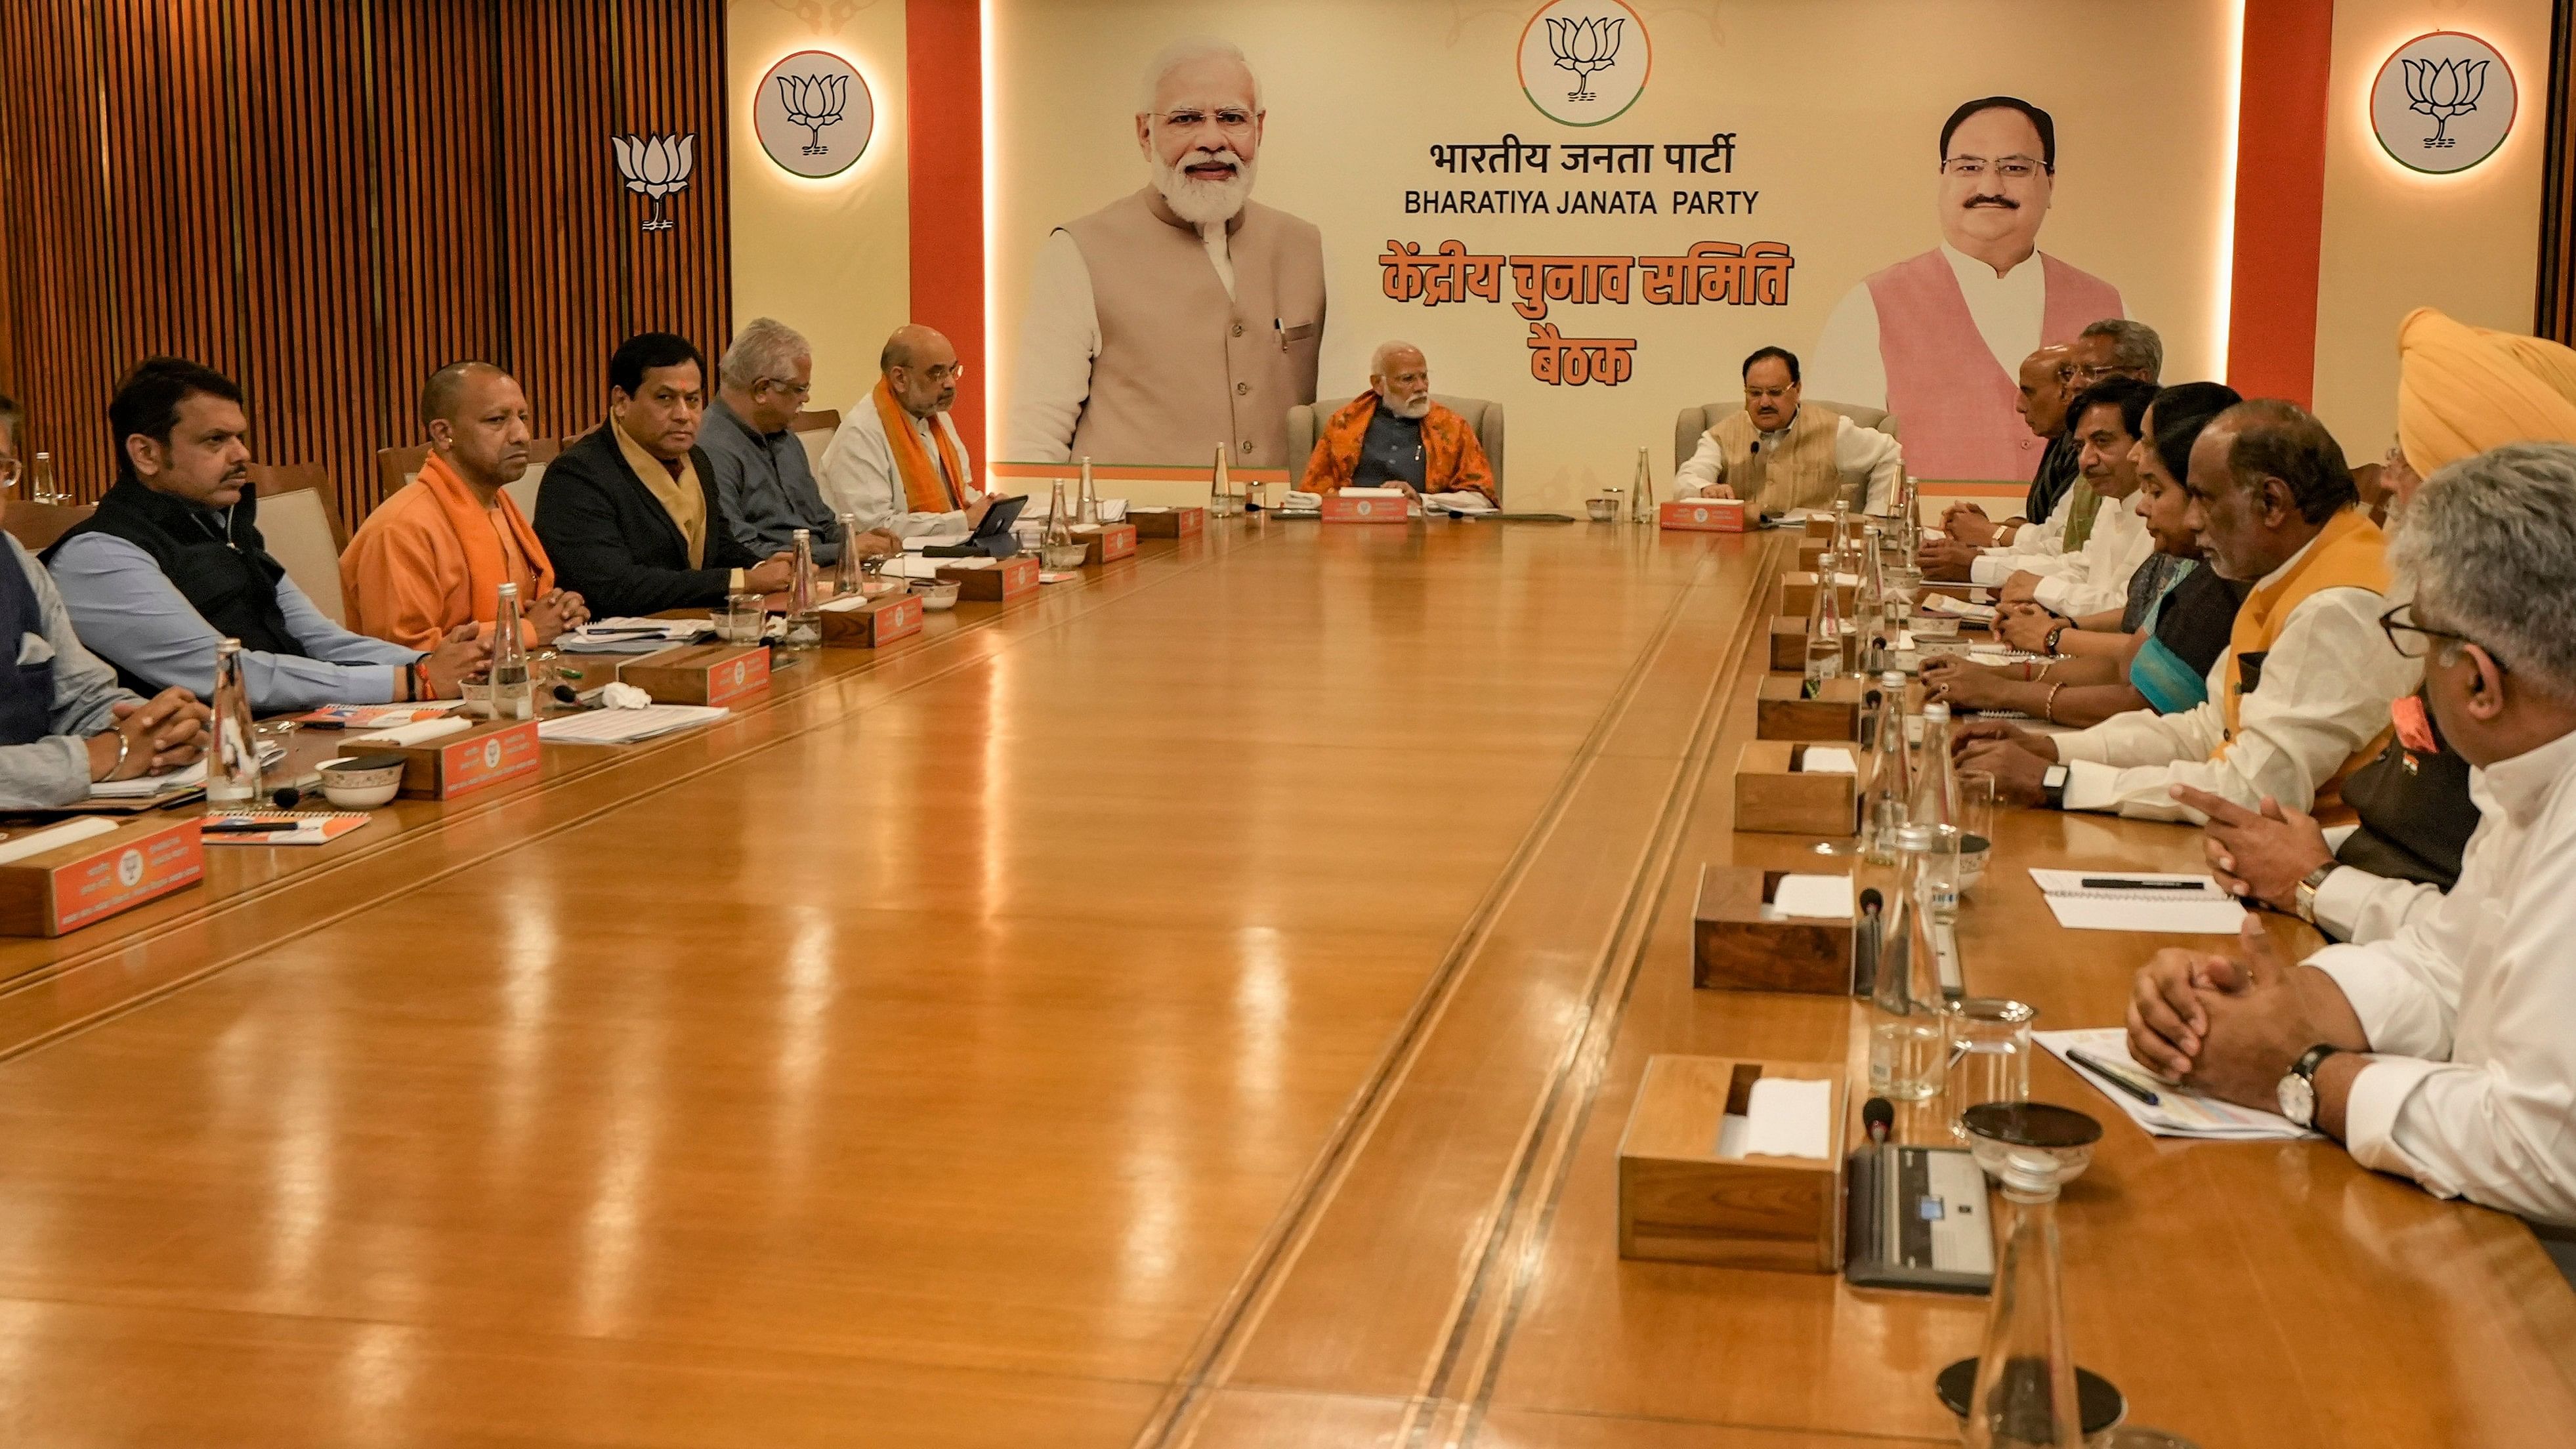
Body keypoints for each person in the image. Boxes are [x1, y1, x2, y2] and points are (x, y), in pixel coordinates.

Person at [2124, 442, 2576, 1235]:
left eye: (2415, 635)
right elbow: (2452, 963)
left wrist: (2299, 1075)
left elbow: (2546, 1150)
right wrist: (2266, 1004)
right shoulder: (2526, 773)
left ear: (2476, 680)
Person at [2179, 308, 2576, 945]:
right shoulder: (2451, 634)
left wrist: (2311, 878)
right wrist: (2293, 857)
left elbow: (2476, 942)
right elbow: (2450, 876)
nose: (2385, 480)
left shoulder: (2501, 665)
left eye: (2406, 458)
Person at [1953, 399, 2418, 820]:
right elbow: (2206, 730)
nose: (2192, 520)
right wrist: (2050, 750)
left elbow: (2253, 791)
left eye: (2203, 499)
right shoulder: (2288, 570)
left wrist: (2058, 782)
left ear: (2271, 502)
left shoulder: (2337, 606)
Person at [47, 358, 486, 713]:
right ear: (146, 453)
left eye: (240, 437)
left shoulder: (224, 526)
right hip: (192, 775)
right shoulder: (99, 555)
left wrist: (434, 665)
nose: (242, 455)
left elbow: (320, 639)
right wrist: (409, 683)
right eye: (215, 440)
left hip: (285, 735)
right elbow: (228, 675)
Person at [1005, 36, 1325, 470]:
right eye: (1186, 119)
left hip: (1282, 533)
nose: (1212, 140)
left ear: (1259, 128)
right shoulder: (1077, 251)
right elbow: (1037, 436)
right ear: (1145, 133)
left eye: (1232, 118)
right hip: (1136, 531)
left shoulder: (1307, 248)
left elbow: (1343, 422)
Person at [1807, 96, 2124, 482]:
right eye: (1969, 166)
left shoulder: (2107, 306)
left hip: (2076, 540)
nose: (1990, 186)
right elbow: (1830, 461)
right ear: (1943, 178)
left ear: (2050, 183)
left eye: (2015, 168)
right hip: (1924, 536)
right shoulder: (1870, 305)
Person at [1925, 381, 2247, 728]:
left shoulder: (2223, 578)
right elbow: (2132, 656)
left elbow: (2141, 698)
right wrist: (2007, 675)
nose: (2137, 456)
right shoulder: (2192, 560)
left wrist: (2012, 683)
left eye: (2147, 441)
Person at [0, 393, 208, 806]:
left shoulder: (13, 560)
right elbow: (99, 752)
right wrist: (95, 757)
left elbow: (83, 698)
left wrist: (160, 730)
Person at [534, 333, 793, 620]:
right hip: (613, 646)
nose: (683, 415)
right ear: (621, 401)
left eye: (693, 400)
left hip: (696, 627)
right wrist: (742, 581)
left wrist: (763, 568)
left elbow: (719, 545)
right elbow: (615, 587)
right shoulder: (577, 476)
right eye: (665, 398)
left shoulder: (696, 460)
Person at [339, 361, 589, 651]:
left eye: (523, 417)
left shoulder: (500, 508)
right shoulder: (401, 528)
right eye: (497, 420)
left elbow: (528, 610)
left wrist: (560, 613)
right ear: (444, 433)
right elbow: (404, 654)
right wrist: (526, 631)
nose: (521, 435)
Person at [700, 317, 889, 566]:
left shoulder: (785, 437)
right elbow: (742, 551)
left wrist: (859, 540)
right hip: (775, 584)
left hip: (822, 570)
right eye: (800, 389)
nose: (807, 398)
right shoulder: (710, 448)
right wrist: (844, 549)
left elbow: (822, 524)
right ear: (762, 390)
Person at [1985, 374, 2159, 618]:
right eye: (2079, 447)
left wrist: (2040, 588)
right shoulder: (2112, 497)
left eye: (2102, 442)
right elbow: (2085, 568)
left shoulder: (2165, 511)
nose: (2086, 460)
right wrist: (2019, 581)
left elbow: (2128, 611)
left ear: (2144, 444)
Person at [1672, 346, 1903, 514]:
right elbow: (1687, 479)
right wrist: (1705, 489)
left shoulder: (1832, 430)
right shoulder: (1721, 435)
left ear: (1797, 389)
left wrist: (1877, 517)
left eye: (1775, 392)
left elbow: (1890, 453)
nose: (1764, 403)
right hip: (1738, 555)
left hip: (1811, 552)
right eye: (1754, 393)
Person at [817, 326, 994, 542]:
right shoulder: (860, 432)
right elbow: (875, 528)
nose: (949, 383)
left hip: (941, 550)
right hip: (887, 565)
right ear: (900, 378)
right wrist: (962, 522)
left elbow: (958, 496)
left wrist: (989, 509)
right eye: (937, 373)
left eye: (952, 370)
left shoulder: (936, 418)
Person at [1917, 345, 2076, 578]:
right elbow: (2048, 521)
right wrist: (1983, 527)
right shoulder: (2063, 438)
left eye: (2029, 392)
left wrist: (1991, 535)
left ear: (2068, 392)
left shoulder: (2096, 455)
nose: (2019, 405)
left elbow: (2065, 548)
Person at [1299, 341, 1496, 503]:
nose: (1421, 387)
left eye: (1424, 377)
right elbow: (1312, 496)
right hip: (1352, 532)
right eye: (1408, 379)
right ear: (1378, 384)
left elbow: (1482, 499)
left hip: (1427, 534)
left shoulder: (1453, 427)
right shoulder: (1343, 424)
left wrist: (1421, 499)